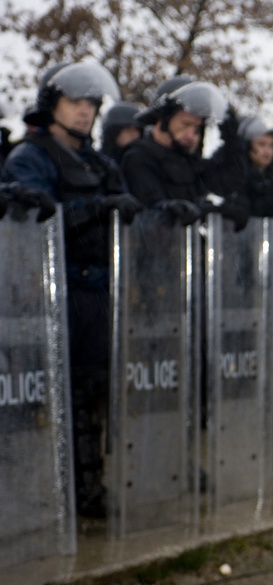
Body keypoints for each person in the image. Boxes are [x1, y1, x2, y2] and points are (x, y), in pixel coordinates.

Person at [1, 61, 143, 518]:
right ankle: (51, 495)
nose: (85, 113)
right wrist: (96, 207)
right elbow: (32, 223)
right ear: (52, 105)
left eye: (91, 105)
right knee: (54, 401)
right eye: (75, 103)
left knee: (94, 396)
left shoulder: (100, 162)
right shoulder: (31, 156)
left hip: (100, 296)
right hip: (53, 295)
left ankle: (88, 489)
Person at [120, 79, 233, 225]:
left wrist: (218, 210)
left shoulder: (190, 162)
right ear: (165, 118)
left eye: (197, 128)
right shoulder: (139, 158)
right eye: (186, 124)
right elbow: (148, 215)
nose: (192, 135)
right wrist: (167, 208)